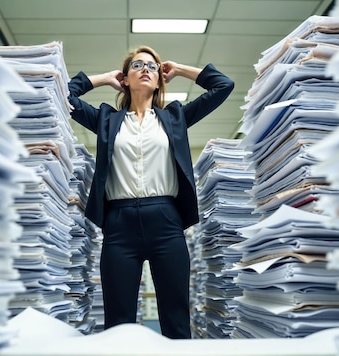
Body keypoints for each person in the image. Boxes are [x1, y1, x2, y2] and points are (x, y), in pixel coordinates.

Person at [67, 45, 234, 339]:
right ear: (125, 79)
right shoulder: (107, 120)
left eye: (153, 67)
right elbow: (63, 96)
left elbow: (223, 86)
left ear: (159, 80)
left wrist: (180, 69)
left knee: (176, 318)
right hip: (119, 226)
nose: (146, 69)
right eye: (137, 65)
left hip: (166, 222)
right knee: (118, 323)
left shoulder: (175, 118)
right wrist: (104, 78)